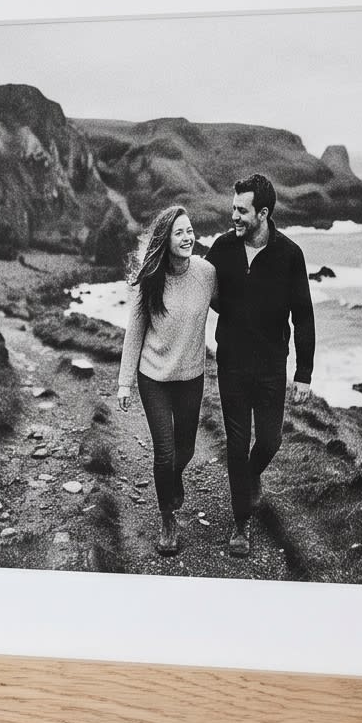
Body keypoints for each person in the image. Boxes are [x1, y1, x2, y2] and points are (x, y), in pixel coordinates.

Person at [205, 174, 315, 557]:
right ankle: (241, 523)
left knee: (270, 440)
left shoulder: (289, 255)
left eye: (241, 210)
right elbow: (199, 286)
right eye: (233, 208)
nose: (233, 216)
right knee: (236, 446)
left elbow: (303, 315)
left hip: (271, 367)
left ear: (263, 213)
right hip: (232, 365)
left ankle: (249, 478)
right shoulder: (223, 248)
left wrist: (304, 374)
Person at [113, 205, 217, 557]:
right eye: (179, 232)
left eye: (190, 231)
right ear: (165, 239)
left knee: (186, 449)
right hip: (154, 376)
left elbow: (231, 304)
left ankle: (172, 482)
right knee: (165, 453)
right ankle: (168, 520)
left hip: (190, 376)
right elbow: (135, 332)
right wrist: (124, 382)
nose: (188, 238)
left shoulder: (206, 273)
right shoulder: (150, 279)